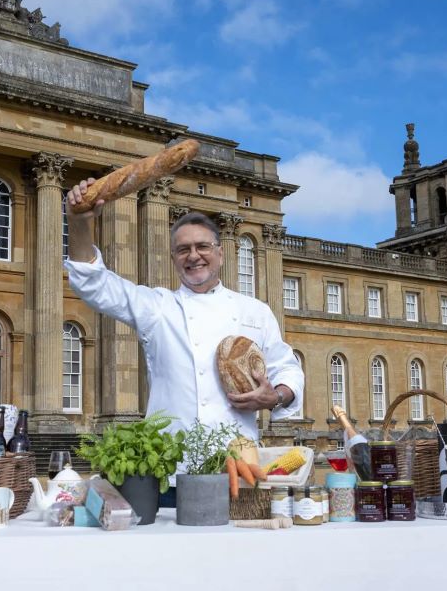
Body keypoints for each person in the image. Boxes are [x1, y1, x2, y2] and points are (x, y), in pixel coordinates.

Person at [63, 178, 304, 448]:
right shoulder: (157, 307)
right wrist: (78, 222)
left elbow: (287, 370)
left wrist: (276, 397)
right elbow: (94, 284)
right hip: (170, 466)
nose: (193, 256)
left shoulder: (255, 311)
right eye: (182, 250)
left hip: (238, 464)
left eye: (202, 246)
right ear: (174, 259)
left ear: (221, 254)